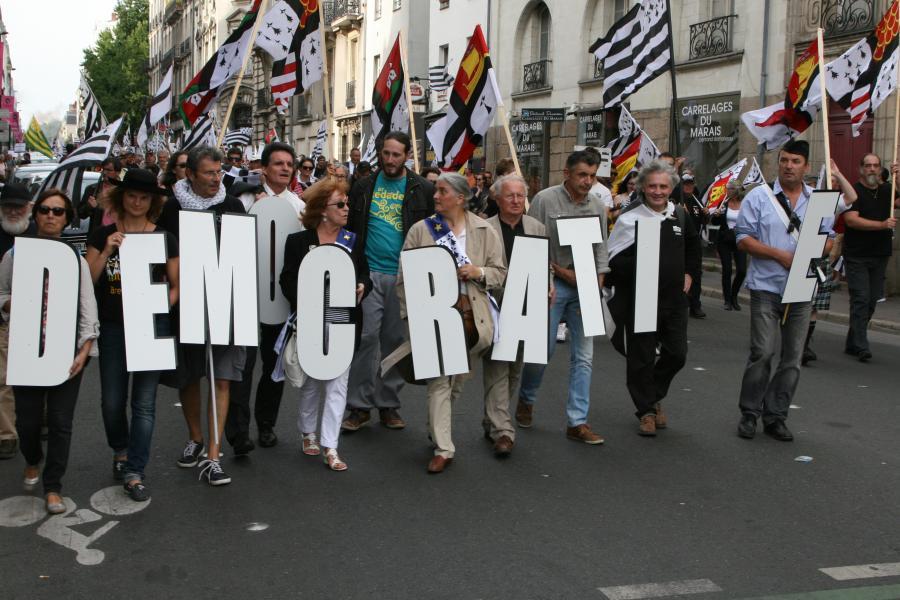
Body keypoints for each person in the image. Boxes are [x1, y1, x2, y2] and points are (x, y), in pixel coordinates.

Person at [395, 172, 505, 472]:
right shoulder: (422, 230)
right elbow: (403, 276)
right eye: (436, 191)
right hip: (434, 314)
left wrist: (478, 272)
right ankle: (444, 448)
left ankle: (436, 425)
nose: (435, 196)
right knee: (439, 380)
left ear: (460, 197)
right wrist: (411, 317)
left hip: (472, 315)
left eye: (442, 191)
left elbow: (500, 271)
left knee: (457, 380)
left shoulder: (483, 230)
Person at [0, 189, 99, 514]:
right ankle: (33, 459)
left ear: (67, 218)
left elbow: (88, 309)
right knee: (28, 423)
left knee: (60, 422)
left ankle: (53, 485)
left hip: (66, 353)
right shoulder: (15, 255)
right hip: (27, 351)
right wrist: (14, 302)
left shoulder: (75, 259)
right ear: (36, 214)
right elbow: (1, 292)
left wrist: (85, 349)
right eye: (45, 210)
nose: (51, 216)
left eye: (58, 211)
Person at [85, 169, 178, 502]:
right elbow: (88, 280)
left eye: (144, 197)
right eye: (132, 196)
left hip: (152, 327)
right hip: (112, 326)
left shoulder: (164, 238)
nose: (137, 202)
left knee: (144, 404)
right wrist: (108, 249)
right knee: (112, 401)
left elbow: (176, 285)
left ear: (152, 202)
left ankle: (135, 469)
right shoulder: (102, 234)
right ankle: (120, 450)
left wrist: (158, 309)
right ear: (121, 199)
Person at [158, 146, 247, 485]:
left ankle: (214, 453)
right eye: (209, 172)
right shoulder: (172, 208)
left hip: (226, 304)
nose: (216, 178)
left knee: (222, 378)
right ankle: (195, 437)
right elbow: (163, 252)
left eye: (219, 171)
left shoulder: (233, 205)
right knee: (191, 375)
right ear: (190, 174)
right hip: (187, 306)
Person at [734, 140, 833, 442]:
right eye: (785, 160)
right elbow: (743, 239)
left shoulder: (818, 200)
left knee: (792, 358)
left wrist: (815, 251)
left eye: (796, 161)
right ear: (778, 162)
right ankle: (749, 413)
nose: (789, 166)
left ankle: (776, 416)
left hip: (801, 288)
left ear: (806, 166)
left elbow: (829, 240)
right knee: (762, 352)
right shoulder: (759, 197)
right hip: (766, 285)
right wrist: (780, 255)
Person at [343, 131, 435, 431]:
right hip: (368, 275)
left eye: (397, 154)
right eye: (386, 154)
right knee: (366, 339)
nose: (390, 160)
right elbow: (350, 229)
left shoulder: (422, 189)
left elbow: (434, 233)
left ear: (408, 155)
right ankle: (358, 406)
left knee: (396, 342)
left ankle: (388, 404)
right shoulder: (364, 186)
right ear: (379, 154)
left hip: (404, 277)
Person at [517, 150, 610, 444]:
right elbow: (531, 242)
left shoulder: (597, 205)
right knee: (541, 351)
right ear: (567, 173)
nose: (588, 181)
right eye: (583, 174)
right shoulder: (545, 200)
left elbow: (600, 251)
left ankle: (577, 421)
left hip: (586, 288)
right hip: (553, 285)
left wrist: (595, 286)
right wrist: (553, 273)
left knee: (584, 357)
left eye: (593, 176)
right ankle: (526, 398)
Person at [279, 178, 370, 471]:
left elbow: (365, 275)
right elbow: (286, 281)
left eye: (347, 203)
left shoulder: (352, 241)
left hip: (343, 320)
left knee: (337, 383)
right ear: (321, 209)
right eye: (340, 204)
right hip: (311, 320)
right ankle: (308, 431)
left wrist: (361, 286)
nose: (347, 209)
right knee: (312, 380)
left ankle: (331, 446)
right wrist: (307, 298)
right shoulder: (298, 242)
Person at [606, 160, 701, 436]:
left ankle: (653, 394)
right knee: (642, 357)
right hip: (643, 297)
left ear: (671, 187)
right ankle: (646, 410)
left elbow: (694, 248)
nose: (658, 191)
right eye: (652, 186)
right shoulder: (629, 219)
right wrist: (642, 263)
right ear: (642, 188)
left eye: (663, 186)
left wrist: (690, 275)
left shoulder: (680, 216)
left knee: (677, 354)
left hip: (674, 299)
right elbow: (615, 261)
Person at [227, 142, 305, 453]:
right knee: (242, 367)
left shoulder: (299, 206)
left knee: (275, 366)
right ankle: (239, 432)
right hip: (248, 294)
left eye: (289, 164)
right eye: (278, 164)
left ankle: (267, 424)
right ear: (264, 168)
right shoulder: (245, 200)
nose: (285, 169)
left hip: (281, 299)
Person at [482, 175, 547, 456]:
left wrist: (549, 285)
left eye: (521, 196)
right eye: (510, 196)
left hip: (527, 308)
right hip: (496, 307)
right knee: (498, 368)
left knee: (514, 370)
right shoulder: (484, 229)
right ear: (497, 198)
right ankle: (503, 431)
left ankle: (493, 419)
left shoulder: (537, 227)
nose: (516, 201)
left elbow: (546, 265)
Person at [842, 153, 898, 362]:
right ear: (861, 169)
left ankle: (852, 340)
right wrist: (882, 225)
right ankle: (861, 345)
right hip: (857, 255)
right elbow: (852, 221)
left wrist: (898, 176)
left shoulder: (886, 191)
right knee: (861, 298)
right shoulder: (854, 192)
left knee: (872, 300)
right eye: (868, 165)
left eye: (876, 166)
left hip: (880, 254)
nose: (872, 169)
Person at [803, 160, 857, 365]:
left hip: (821, 255)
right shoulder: (808, 198)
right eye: (831, 181)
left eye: (836, 183)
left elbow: (852, 196)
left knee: (814, 304)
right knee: (798, 302)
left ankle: (804, 345)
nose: (834, 185)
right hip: (801, 253)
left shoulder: (833, 202)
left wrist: (839, 173)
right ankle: (794, 342)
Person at [0, 183, 36, 460]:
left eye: (18, 206)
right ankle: (7, 434)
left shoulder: (42, 233)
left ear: (29, 208)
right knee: (3, 378)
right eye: (8, 206)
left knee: (37, 374)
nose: (13, 211)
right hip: (4, 317)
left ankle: (40, 420)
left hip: (40, 319)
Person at [711, 180, 747, 311]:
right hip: (724, 240)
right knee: (726, 270)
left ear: (737, 191)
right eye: (728, 189)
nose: (728, 192)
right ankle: (727, 300)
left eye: (731, 189)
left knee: (742, 271)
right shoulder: (723, 203)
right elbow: (715, 221)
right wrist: (716, 215)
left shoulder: (745, 205)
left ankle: (734, 296)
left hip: (739, 240)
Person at [678, 170, 708, 318]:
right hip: (679, 242)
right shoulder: (677, 200)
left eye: (691, 184)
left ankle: (695, 305)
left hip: (694, 243)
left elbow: (704, 221)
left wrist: (706, 214)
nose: (688, 186)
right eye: (686, 184)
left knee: (696, 273)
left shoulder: (697, 200)